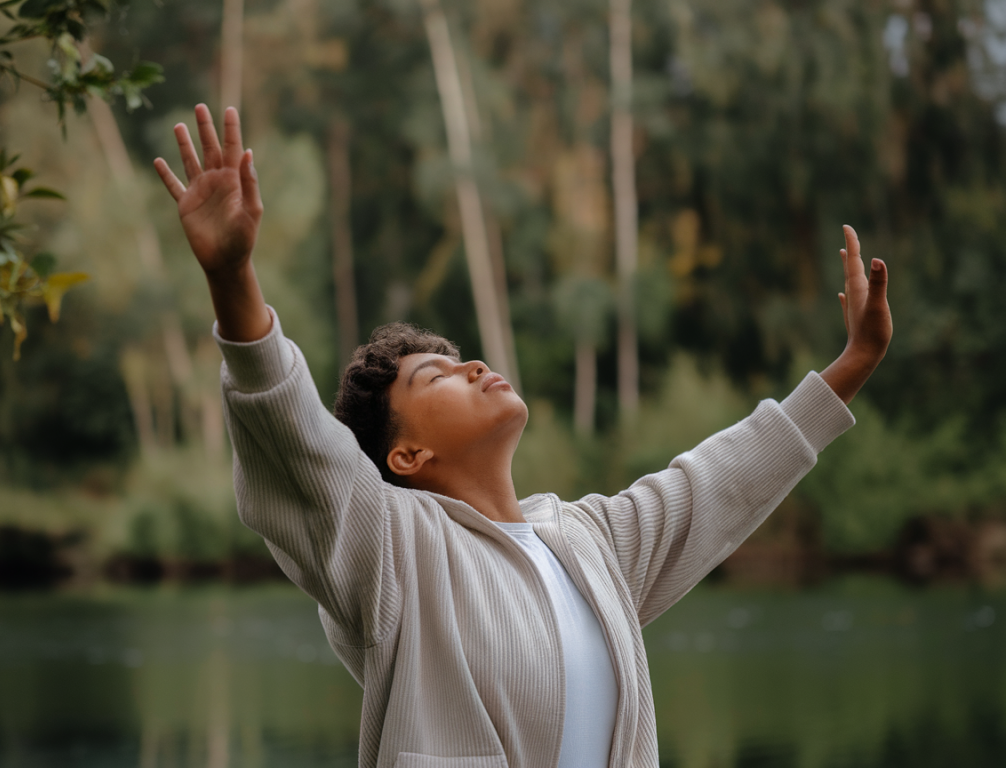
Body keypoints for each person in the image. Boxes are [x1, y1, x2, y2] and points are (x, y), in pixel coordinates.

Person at [154, 104, 892, 768]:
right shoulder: (390, 549)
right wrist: (234, 281)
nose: (472, 365)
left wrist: (851, 366)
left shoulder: (589, 541)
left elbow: (719, 480)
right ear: (406, 456)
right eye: (435, 377)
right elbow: (296, 442)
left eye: (460, 358)